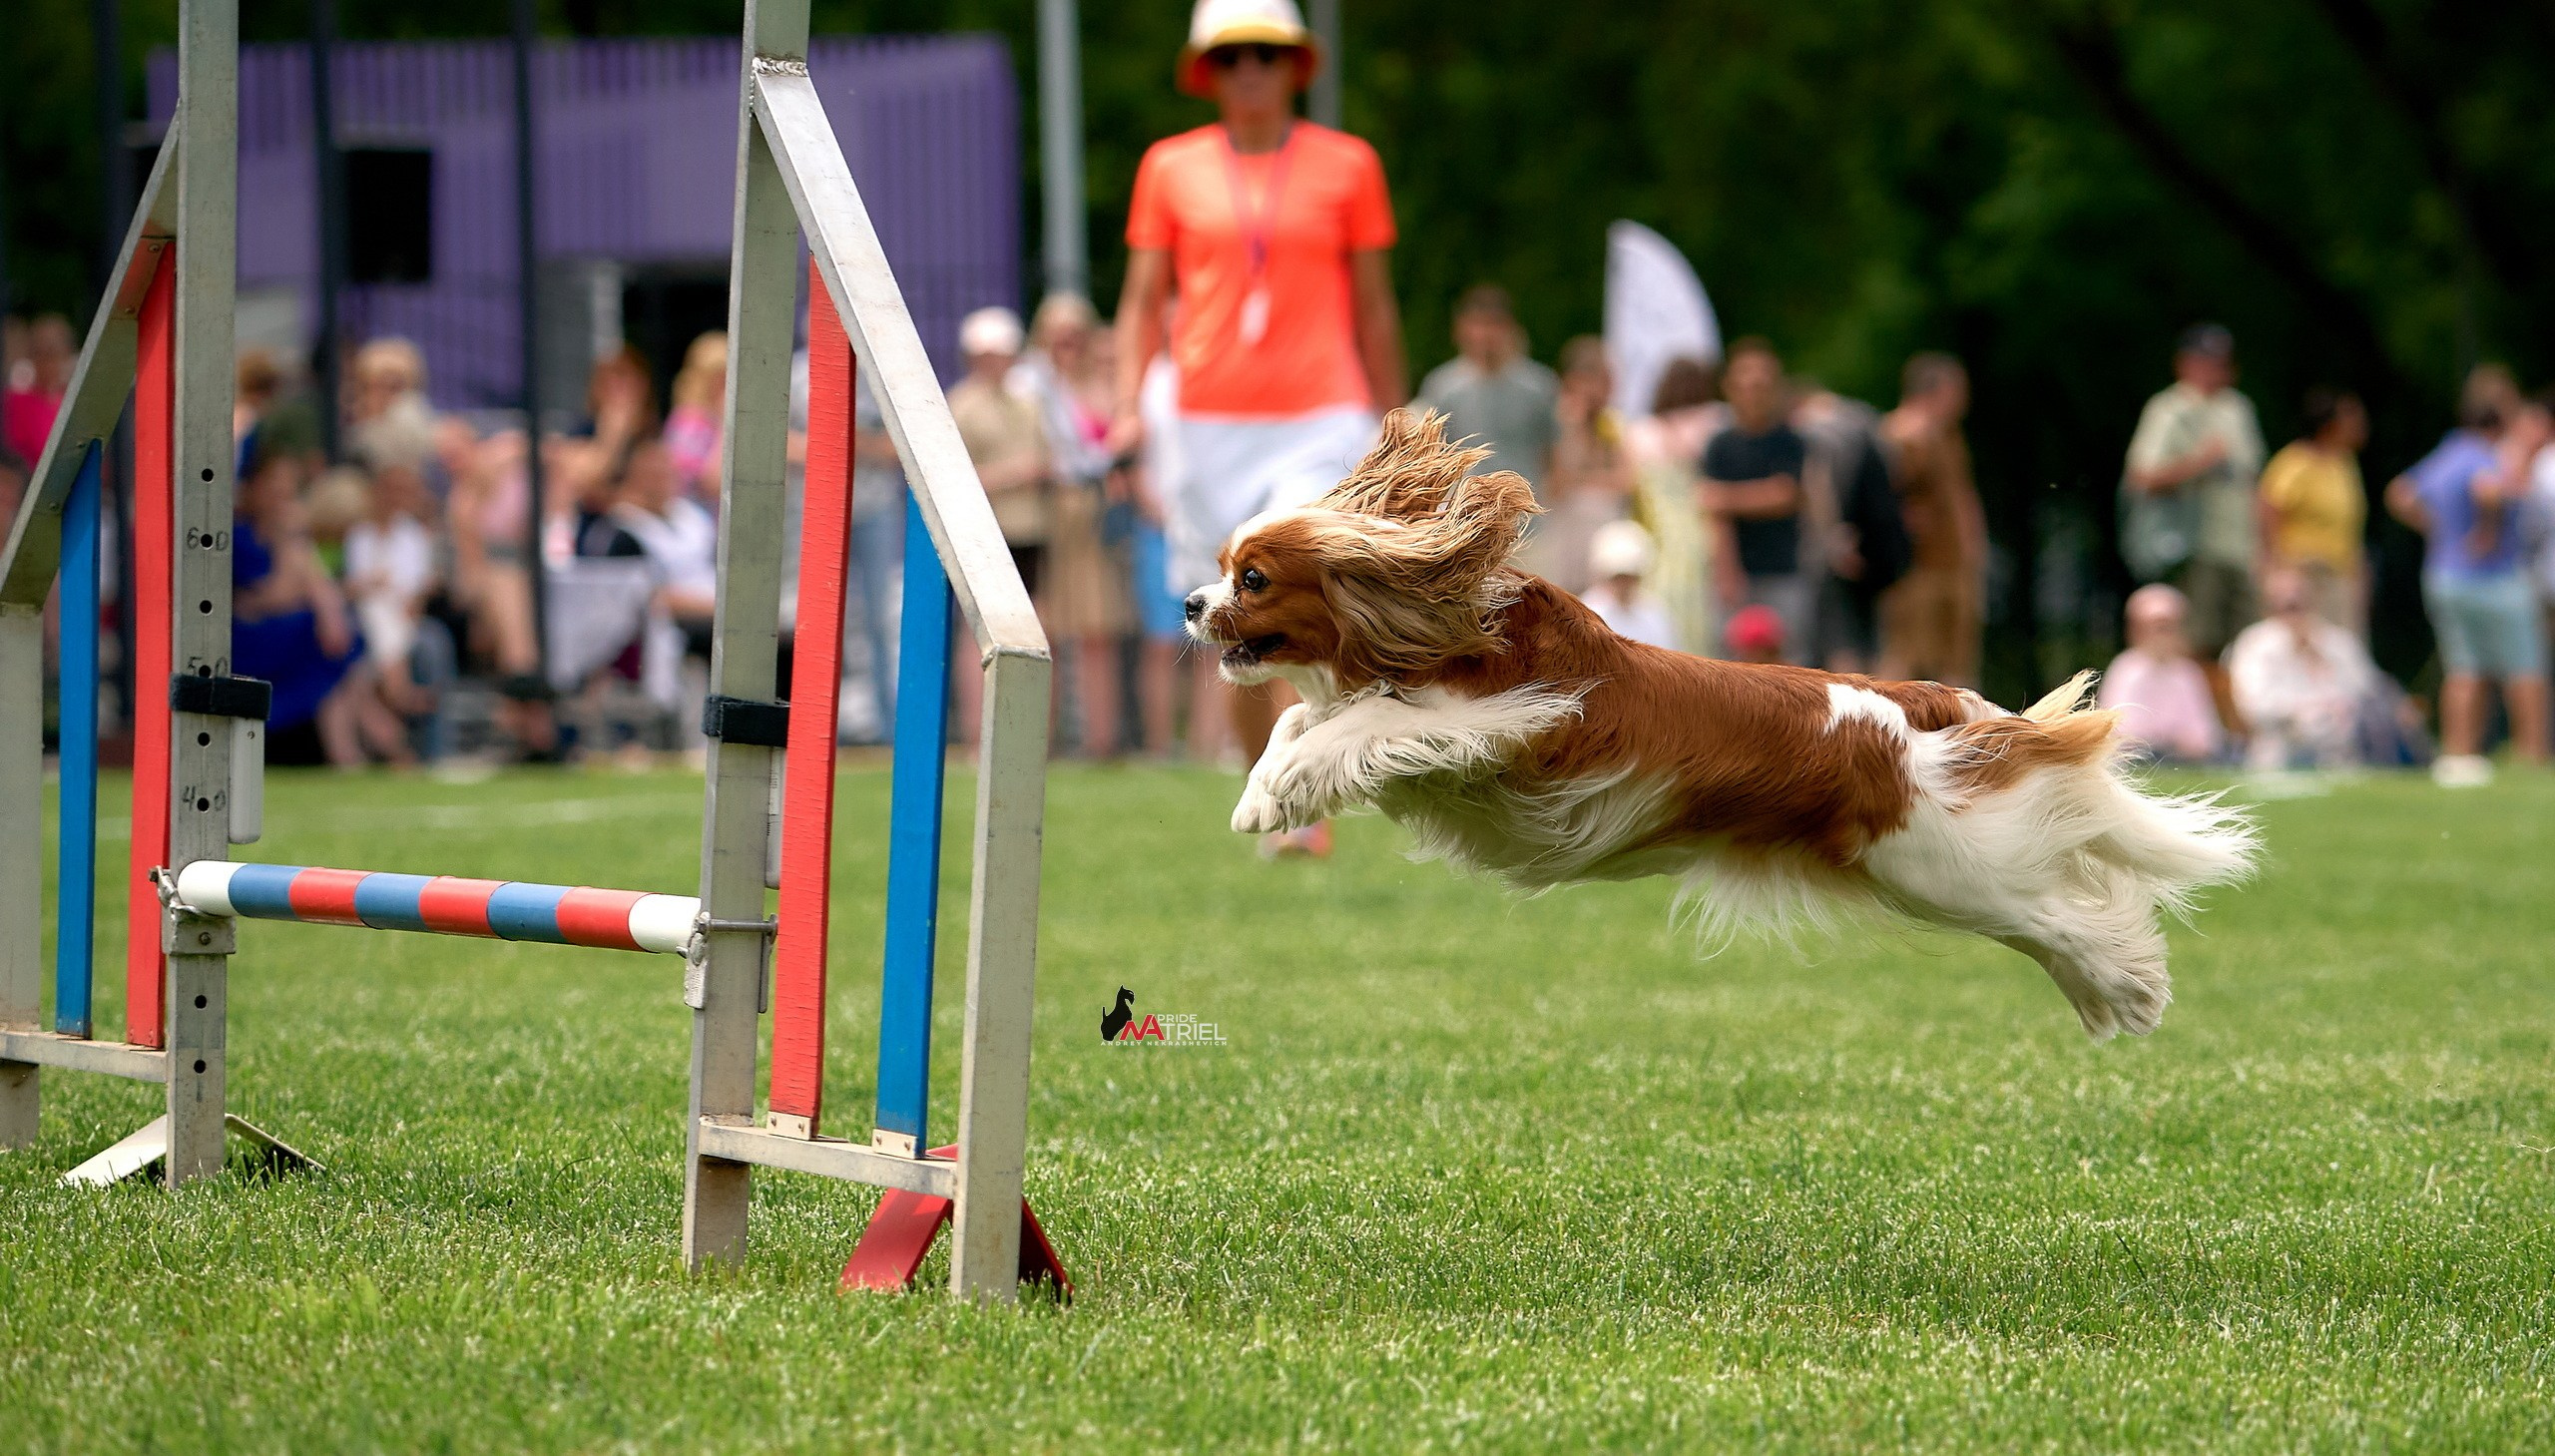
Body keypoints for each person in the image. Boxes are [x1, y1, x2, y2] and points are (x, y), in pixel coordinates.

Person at [1112, 0, 1406, 855]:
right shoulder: (1169, 165)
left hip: (1321, 415)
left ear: (1296, 67)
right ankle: (1281, 805)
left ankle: (1321, 774)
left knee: (1287, 586)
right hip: (1204, 421)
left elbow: (1374, 304)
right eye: (1233, 53)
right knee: (1226, 620)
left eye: (1267, 54)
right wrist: (1131, 409)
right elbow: (1143, 302)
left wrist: (1397, 418)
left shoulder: (1349, 164)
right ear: (1208, 68)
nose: (1250, 68)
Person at [2386, 384, 2548, 785]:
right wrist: (2487, 531)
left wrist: (2437, 529)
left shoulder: (2448, 452)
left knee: (2464, 669)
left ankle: (2458, 756)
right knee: (2524, 668)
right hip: (2492, 577)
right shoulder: (2483, 455)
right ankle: (2533, 757)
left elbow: (2400, 494)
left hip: (2444, 576)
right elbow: (2489, 490)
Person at [1021, 293, 1135, 757]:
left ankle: (1100, 742)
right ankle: (1036, 742)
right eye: (1057, 337)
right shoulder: (1027, 387)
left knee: (1095, 628)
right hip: (1041, 514)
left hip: (1090, 516)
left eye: (1075, 336)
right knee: (1039, 629)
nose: (1066, 346)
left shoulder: (1105, 386)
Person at [2120, 324, 2265, 680]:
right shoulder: (2170, 409)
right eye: (2206, 360)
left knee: (2246, 644)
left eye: (2221, 360)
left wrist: (2266, 548)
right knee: (2195, 640)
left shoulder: (2238, 408)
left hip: (2241, 548)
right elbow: (2142, 477)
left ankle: (2228, 727)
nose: (2216, 368)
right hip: (2195, 547)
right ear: (2185, 363)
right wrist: (2200, 463)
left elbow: (2254, 483)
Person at [947, 306, 1052, 746]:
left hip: (1030, 532)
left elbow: (1049, 460)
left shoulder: (1028, 404)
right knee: (978, 635)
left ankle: (1032, 736)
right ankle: (978, 735)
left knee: (1036, 631)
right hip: (984, 534)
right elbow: (951, 477)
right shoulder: (960, 405)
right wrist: (1017, 473)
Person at [1878, 352, 1987, 686]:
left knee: (1955, 664)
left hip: (1952, 564)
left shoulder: (1947, 436)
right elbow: (1884, 500)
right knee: (1908, 663)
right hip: (1916, 570)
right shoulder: (1900, 436)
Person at [1699, 337, 1809, 661]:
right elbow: (1713, 511)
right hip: (1736, 574)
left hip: (1782, 569)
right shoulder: (1719, 444)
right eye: (1745, 385)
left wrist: (1726, 498)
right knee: (1731, 669)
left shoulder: (1790, 440)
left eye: (1761, 386)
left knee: (1791, 667)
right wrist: (1725, 570)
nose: (1753, 394)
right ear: (1729, 388)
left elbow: (1785, 494)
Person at [1792, 384, 1910, 675]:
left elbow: (1823, 490)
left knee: (1840, 640)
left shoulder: (1820, 433)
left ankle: (1854, 717)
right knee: (1873, 639)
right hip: (1880, 548)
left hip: (1844, 548)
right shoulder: (1868, 423)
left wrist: (1834, 539)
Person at [1413, 283, 1557, 506]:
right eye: (1478, 325)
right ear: (1461, 329)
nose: (1486, 334)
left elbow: (1553, 451)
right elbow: (1430, 455)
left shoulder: (1538, 386)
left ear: (1509, 328)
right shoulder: (1442, 387)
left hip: (1525, 509)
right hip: (1462, 510)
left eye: (1494, 325)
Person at [2225, 566, 2380, 772]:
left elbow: (2366, 693)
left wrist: (2322, 664)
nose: (2293, 606)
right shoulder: (2255, 644)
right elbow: (2254, 705)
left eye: (2299, 598)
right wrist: (2302, 710)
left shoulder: (2340, 642)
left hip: (2340, 759)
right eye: (2285, 601)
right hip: (2278, 757)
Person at [1623, 355, 1725, 655]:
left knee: (1661, 603)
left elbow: (1631, 486)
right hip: (1699, 525)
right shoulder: (1712, 422)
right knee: (1701, 608)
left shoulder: (1639, 431)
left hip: (1659, 532)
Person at [2256, 387, 2367, 632]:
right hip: (2303, 573)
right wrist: (2274, 569)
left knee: (2340, 645)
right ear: (2329, 424)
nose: (2360, 424)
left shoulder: (2344, 463)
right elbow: (2269, 508)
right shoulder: (2295, 462)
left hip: (2338, 572)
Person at [1536, 336, 1636, 595]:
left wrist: (1582, 479)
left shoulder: (1612, 425)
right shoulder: (1558, 422)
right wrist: (1575, 424)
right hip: (1568, 534)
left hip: (1603, 530)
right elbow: (1557, 481)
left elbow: (1626, 480)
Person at [342, 461, 440, 718]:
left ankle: (395, 690)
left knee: (396, 627)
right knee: (378, 616)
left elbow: (418, 588)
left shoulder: (415, 536)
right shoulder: (358, 535)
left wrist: (410, 609)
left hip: (402, 612)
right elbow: (353, 587)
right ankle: (400, 692)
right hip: (365, 612)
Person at [2095, 584, 2224, 764]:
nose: (2163, 636)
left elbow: (2206, 736)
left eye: (2169, 627)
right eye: (2157, 627)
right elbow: (2119, 732)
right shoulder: (2125, 670)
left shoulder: (2188, 673)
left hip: (2183, 763)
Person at [1581, 520, 1676, 650]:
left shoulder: (1654, 614)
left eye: (1629, 577)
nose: (1624, 584)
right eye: (1618, 577)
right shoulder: (1590, 612)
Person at [2, 313, 73, 468]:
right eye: (38, 352)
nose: (46, 361)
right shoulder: (16, 402)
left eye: (52, 353)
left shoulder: (74, 402)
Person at [664, 331, 727, 504]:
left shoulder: (710, 418)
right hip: (694, 520)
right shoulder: (689, 423)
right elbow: (712, 484)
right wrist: (726, 424)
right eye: (720, 377)